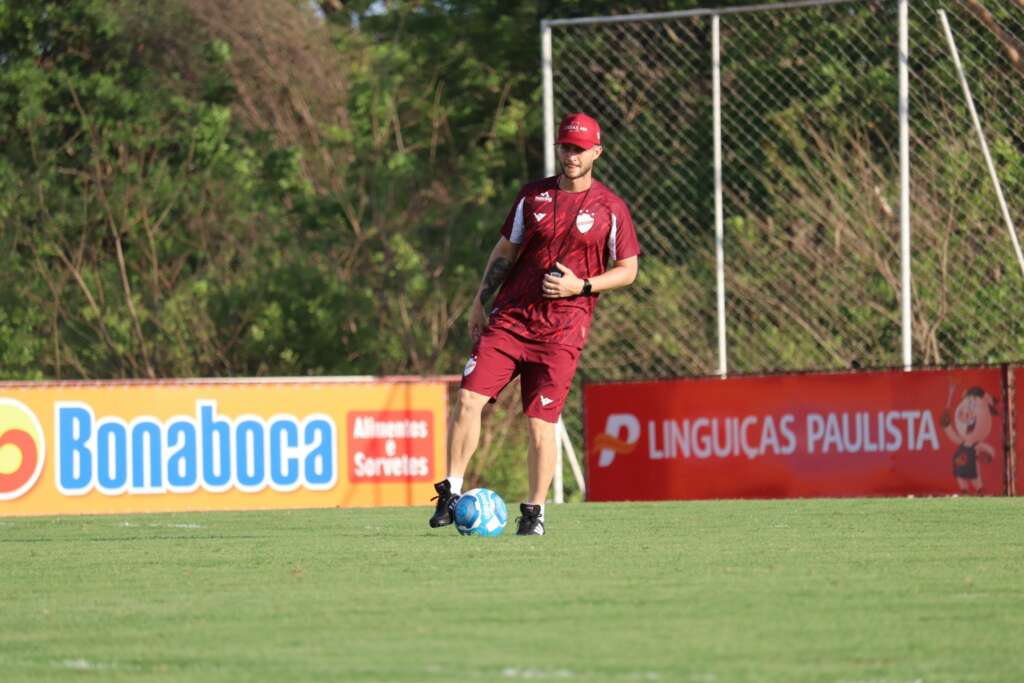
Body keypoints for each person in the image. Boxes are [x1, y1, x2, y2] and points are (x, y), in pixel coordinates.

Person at [429, 112, 640, 535]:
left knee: (540, 424)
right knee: (468, 398)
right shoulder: (533, 197)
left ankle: (533, 513)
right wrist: (478, 301)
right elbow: (505, 250)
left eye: (580, 149)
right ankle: (450, 491)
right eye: (566, 147)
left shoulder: (610, 208)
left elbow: (629, 269)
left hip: (562, 333)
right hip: (510, 321)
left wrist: (582, 286)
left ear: (596, 152)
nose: (572, 155)